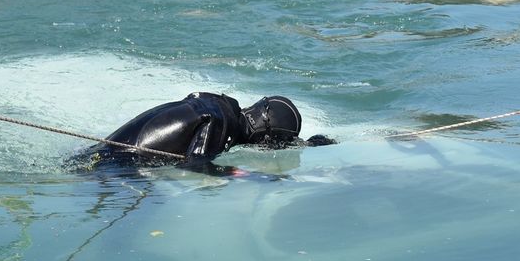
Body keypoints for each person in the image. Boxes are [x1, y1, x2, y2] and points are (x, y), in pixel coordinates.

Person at [68, 92, 334, 173]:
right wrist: (235, 174)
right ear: (264, 138)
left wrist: (312, 144)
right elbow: (195, 163)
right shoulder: (219, 124)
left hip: (97, 152)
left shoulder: (217, 105)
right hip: (108, 165)